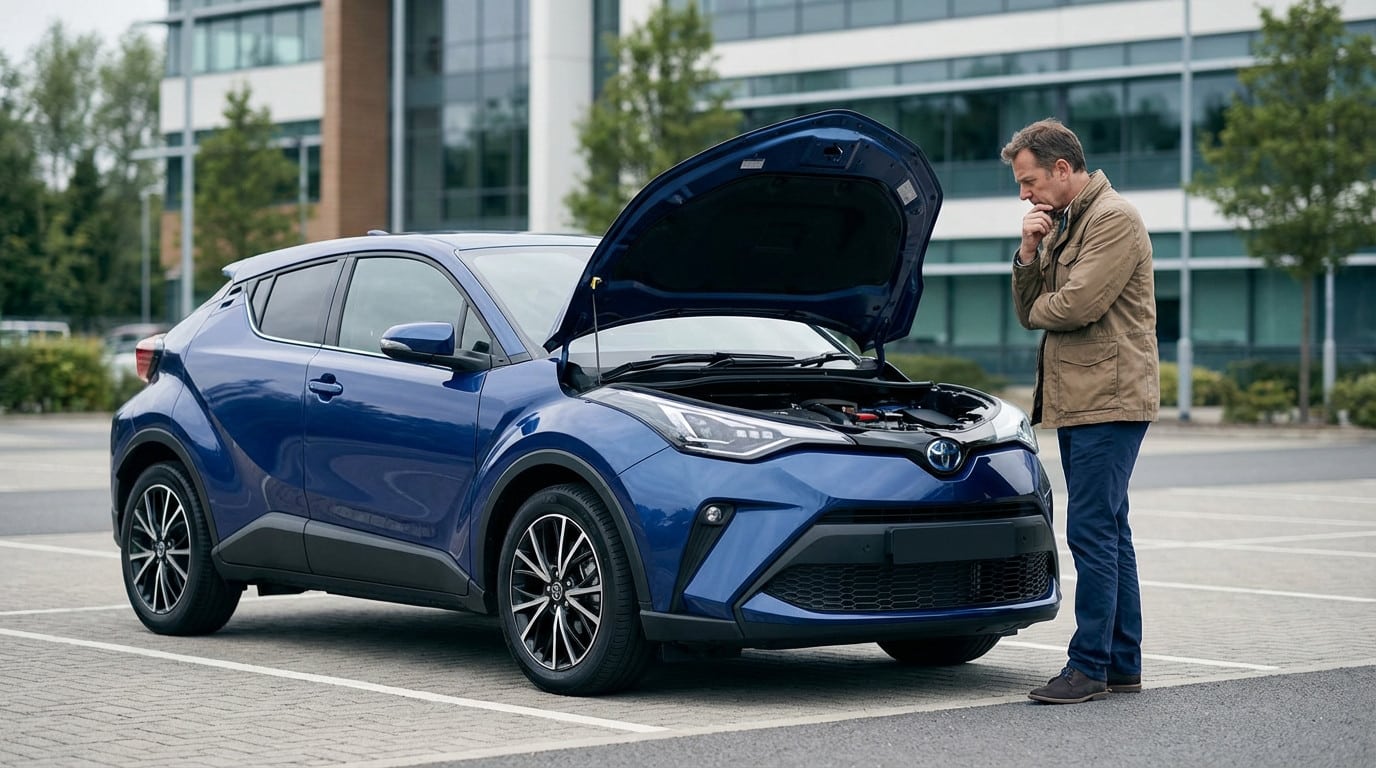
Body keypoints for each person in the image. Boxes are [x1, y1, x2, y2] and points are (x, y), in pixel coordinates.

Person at [1001, 118, 1159, 704]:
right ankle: (1121, 664)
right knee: (1110, 530)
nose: (1025, 194)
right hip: (1085, 400)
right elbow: (1031, 307)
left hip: (1109, 401)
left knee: (1092, 530)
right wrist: (1028, 249)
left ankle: (1088, 666)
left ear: (1062, 168)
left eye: (1030, 180)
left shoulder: (1113, 218)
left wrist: (1043, 299)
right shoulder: (1067, 222)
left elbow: (1075, 305)